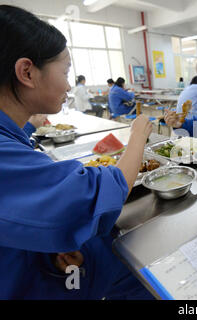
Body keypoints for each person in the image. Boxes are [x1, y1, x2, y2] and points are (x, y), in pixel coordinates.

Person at [0, 5, 154, 299]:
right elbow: (102, 190)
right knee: (139, 267)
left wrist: (49, 252)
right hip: (22, 285)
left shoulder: (12, 135)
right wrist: (137, 136)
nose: (68, 84)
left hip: (36, 263)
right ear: (27, 72)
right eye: (65, 71)